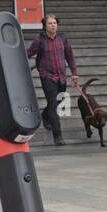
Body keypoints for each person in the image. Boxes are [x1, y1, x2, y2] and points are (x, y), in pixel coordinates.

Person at [27, 14, 79, 145]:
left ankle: (45, 115)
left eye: (55, 23)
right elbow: (28, 53)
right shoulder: (40, 40)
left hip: (61, 76)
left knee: (59, 100)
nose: (53, 25)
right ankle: (58, 137)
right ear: (45, 26)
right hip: (47, 76)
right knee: (54, 105)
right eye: (50, 23)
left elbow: (69, 56)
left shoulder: (62, 38)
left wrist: (74, 72)